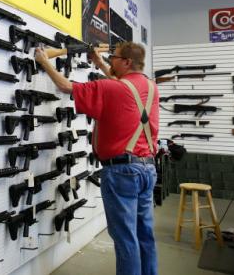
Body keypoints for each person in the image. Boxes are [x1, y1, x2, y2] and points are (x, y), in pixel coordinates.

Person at [34, 42, 159, 275]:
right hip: (147, 169)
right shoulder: (151, 87)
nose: (111, 60)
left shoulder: (111, 88)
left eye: (115, 57)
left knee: (125, 239)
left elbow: (64, 86)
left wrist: (44, 61)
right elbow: (120, 84)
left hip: (122, 172)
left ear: (127, 62)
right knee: (145, 234)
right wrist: (98, 62)